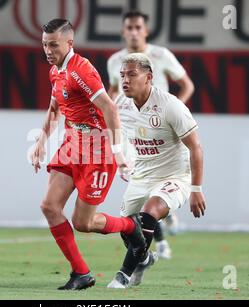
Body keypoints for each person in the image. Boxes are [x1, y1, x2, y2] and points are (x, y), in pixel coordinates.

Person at [30, 19, 146, 290]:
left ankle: (131, 227)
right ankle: (81, 273)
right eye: (45, 45)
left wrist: (118, 152)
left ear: (69, 43)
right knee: (49, 206)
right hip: (73, 143)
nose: (48, 50)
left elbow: (110, 109)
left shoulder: (81, 70)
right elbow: (55, 108)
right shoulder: (55, 72)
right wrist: (41, 140)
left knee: (84, 222)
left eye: (54, 45)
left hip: (98, 149)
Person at [107, 53, 206, 289]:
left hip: (174, 176)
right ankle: (144, 259)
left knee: (150, 212)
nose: (125, 80)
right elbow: (109, 125)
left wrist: (196, 189)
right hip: (141, 175)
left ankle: (123, 275)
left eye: (132, 74)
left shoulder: (170, 106)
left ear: (149, 77)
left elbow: (196, 146)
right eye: (122, 75)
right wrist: (119, 156)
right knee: (127, 230)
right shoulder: (120, 103)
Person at [107, 10, 196, 259]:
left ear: (145, 30)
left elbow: (187, 84)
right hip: (133, 132)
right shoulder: (115, 61)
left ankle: (158, 241)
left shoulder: (161, 55)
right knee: (140, 192)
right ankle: (157, 242)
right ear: (124, 32)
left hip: (162, 131)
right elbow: (111, 95)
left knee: (151, 194)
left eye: (138, 27)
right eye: (129, 28)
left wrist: (178, 113)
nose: (134, 32)